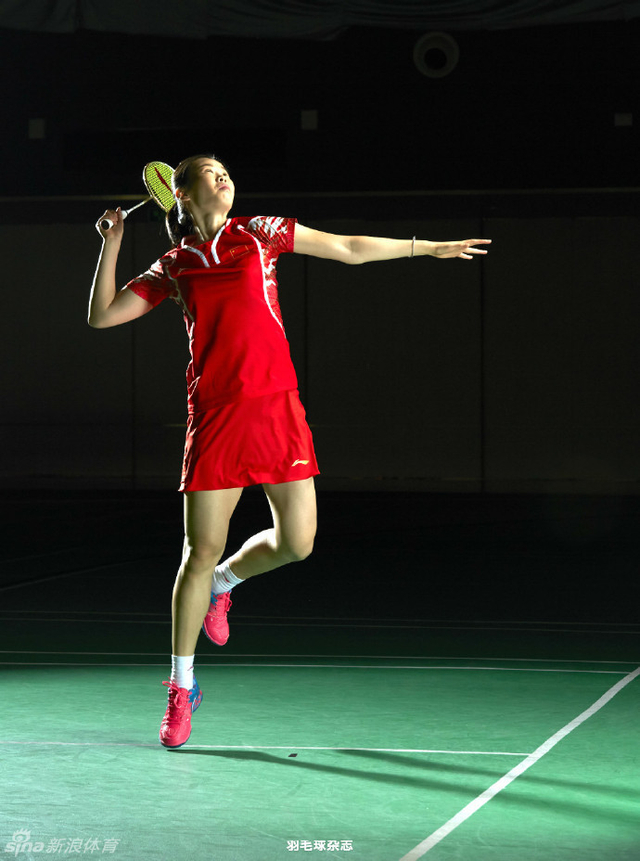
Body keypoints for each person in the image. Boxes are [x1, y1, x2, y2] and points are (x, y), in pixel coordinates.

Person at [88, 153, 491, 748]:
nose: (225, 177)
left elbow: (347, 248)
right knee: (197, 552)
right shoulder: (174, 265)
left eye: (227, 171)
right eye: (211, 173)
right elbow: (102, 316)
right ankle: (181, 687)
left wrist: (425, 247)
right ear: (181, 192)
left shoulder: (259, 233)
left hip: (276, 408)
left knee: (298, 543)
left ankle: (226, 583)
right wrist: (112, 244)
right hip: (217, 416)